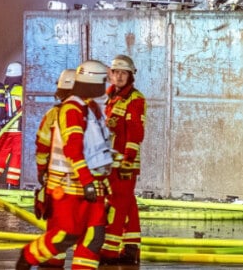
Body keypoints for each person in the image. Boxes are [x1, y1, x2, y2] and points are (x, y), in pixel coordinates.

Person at [16, 60, 114, 270]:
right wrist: (86, 181)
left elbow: (96, 148)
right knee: (66, 235)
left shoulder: (90, 108)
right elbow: (72, 149)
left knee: (94, 236)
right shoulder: (71, 110)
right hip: (70, 186)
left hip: (92, 185)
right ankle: (29, 256)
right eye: (103, 81)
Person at [100, 54, 146, 266]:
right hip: (112, 160)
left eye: (123, 73)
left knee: (117, 204)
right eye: (115, 72)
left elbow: (135, 131)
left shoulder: (134, 99)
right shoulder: (111, 98)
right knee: (128, 204)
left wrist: (128, 159)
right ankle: (130, 248)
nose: (118, 77)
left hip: (124, 162)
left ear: (130, 76)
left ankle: (110, 251)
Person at [32, 68, 77, 269]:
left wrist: (41, 170)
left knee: (57, 222)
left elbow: (42, 145)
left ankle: (54, 260)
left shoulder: (52, 115)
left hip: (56, 181)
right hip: (80, 182)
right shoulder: (88, 114)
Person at [0, 61, 23, 188]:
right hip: (18, 130)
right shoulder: (20, 90)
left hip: (5, 130)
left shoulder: (4, 90)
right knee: (17, 155)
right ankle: (11, 183)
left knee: (2, 154)